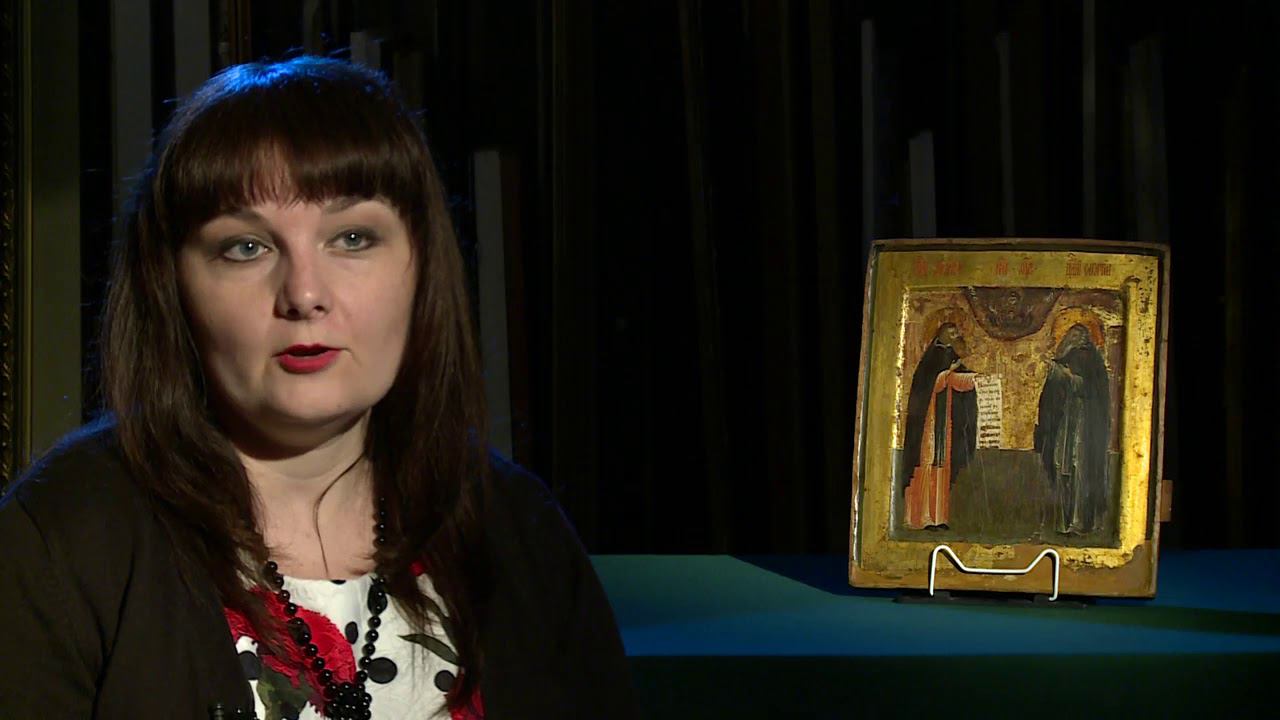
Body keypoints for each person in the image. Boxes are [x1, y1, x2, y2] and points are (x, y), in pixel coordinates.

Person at [0, 57, 637, 719]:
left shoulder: (516, 526)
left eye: (352, 238)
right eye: (246, 248)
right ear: (173, 289)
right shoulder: (62, 539)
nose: (304, 294)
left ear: (422, 267)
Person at [1034, 323, 1111, 536]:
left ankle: (1080, 521)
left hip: (1085, 424)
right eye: (1073, 335)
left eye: (1079, 335)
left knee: (1080, 468)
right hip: (1065, 421)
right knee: (1062, 466)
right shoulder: (1066, 356)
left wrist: (1069, 376)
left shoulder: (1093, 360)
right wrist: (1056, 373)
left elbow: (1093, 389)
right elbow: (1053, 391)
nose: (1076, 338)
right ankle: (1062, 521)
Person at [901, 323, 978, 530]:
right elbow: (930, 384)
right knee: (927, 464)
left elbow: (956, 381)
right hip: (929, 420)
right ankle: (922, 517)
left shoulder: (951, 354)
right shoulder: (932, 357)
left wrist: (974, 379)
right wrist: (948, 372)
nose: (956, 335)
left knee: (942, 466)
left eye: (956, 332)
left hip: (944, 421)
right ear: (942, 334)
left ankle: (939, 517)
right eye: (952, 333)